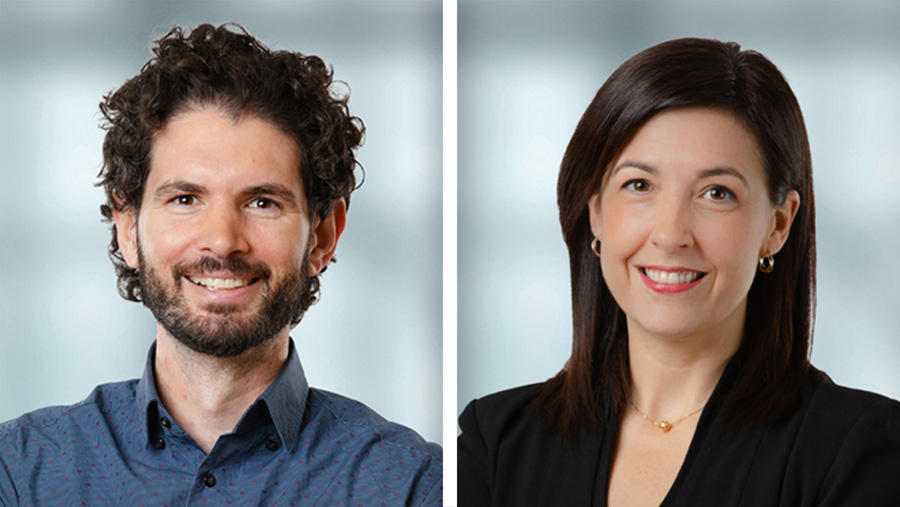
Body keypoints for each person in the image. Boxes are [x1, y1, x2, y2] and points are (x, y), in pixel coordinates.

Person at [0, 23, 441, 506]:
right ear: (128, 229)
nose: (222, 241)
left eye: (262, 202)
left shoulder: (411, 485)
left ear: (323, 235)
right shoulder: (21, 473)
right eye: (186, 198)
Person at [458, 37, 900, 506]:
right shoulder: (498, 443)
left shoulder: (860, 450)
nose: (671, 235)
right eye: (639, 185)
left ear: (778, 224)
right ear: (596, 212)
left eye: (717, 193)